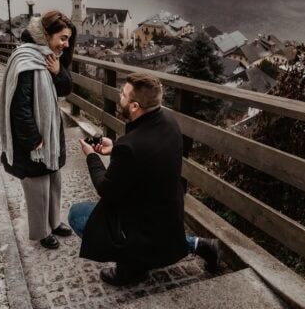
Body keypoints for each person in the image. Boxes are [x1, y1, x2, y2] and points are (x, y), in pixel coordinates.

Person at [69, 73, 220, 286]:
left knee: (77, 215)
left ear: (134, 106)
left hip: (142, 227)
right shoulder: (170, 123)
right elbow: (146, 160)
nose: (119, 96)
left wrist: (92, 156)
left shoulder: (130, 146)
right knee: (156, 233)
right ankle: (198, 245)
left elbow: (106, 189)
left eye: (123, 95)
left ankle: (131, 268)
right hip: (170, 217)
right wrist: (116, 148)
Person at [0, 10, 77, 249]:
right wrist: (32, 139)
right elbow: (20, 106)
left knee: (53, 180)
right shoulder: (26, 60)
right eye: (62, 38)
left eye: (68, 39)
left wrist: (58, 72)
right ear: (46, 34)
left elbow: (64, 89)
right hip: (35, 138)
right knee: (36, 186)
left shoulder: (48, 58)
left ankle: (54, 222)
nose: (66, 44)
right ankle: (41, 232)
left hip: (50, 134)